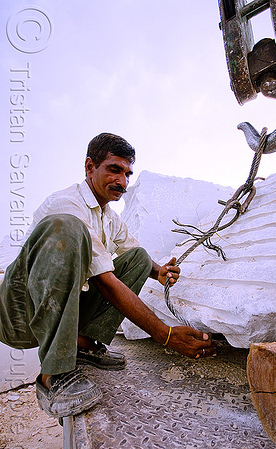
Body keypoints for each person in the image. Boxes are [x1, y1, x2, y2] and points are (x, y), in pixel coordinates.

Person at [0, 133, 216, 418]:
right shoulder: (68, 205)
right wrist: (166, 335)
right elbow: (106, 282)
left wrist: (159, 272)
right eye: (114, 170)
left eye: (127, 174)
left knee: (138, 259)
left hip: (58, 313)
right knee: (67, 228)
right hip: (19, 316)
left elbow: (134, 253)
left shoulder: (108, 216)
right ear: (90, 167)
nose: (122, 182)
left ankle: (84, 345)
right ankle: (52, 376)